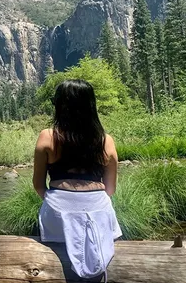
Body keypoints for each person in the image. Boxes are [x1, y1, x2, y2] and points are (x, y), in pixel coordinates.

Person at [33, 79, 121, 280]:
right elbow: (110, 190)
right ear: (91, 106)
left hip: (57, 211)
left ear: (60, 106)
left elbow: (38, 186)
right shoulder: (106, 141)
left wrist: (60, 203)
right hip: (99, 211)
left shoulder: (47, 137)